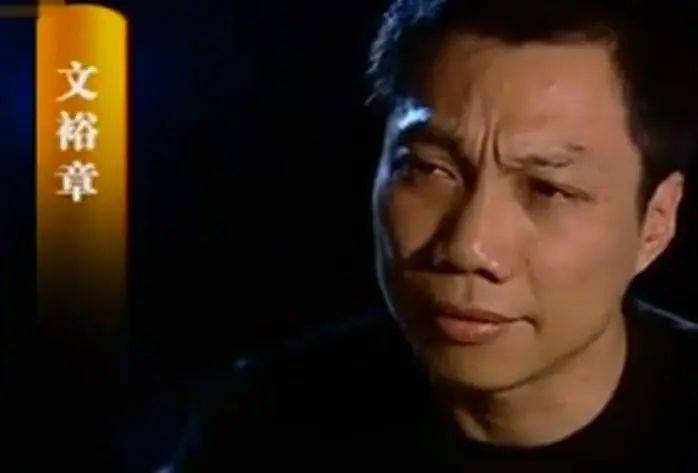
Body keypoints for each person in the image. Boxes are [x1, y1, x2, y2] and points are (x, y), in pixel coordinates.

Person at [178, 0, 698, 470]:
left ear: (656, 223)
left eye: (549, 189)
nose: (470, 247)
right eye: (428, 170)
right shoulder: (265, 425)